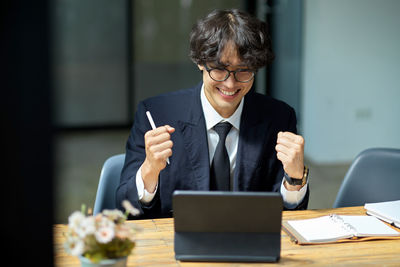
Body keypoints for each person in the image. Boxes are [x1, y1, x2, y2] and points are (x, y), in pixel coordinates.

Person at [116, 8, 309, 218]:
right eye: (219, 69)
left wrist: (295, 177)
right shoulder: (155, 114)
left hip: (248, 239)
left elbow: (290, 213)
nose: (230, 83)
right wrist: (149, 170)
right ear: (200, 62)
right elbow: (124, 207)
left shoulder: (279, 116)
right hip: (175, 241)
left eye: (244, 70)